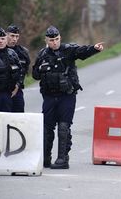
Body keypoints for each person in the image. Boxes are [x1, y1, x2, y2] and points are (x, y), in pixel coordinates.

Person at [32, 25, 104, 169]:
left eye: (57, 39)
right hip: (49, 96)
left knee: (64, 127)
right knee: (47, 128)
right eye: (51, 40)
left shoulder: (68, 50)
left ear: (60, 38)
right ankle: (45, 158)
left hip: (67, 95)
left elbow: (81, 52)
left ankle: (62, 159)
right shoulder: (42, 54)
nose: (54, 42)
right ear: (46, 40)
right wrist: (40, 69)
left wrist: (94, 48)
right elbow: (34, 74)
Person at [6, 24, 30, 112]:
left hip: (17, 90)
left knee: (19, 117)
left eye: (17, 36)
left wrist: (17, 86)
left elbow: (24, 71)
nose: (14, 39)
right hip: (1, 90)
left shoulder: (23, 52)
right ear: (6, 35)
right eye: (12, 36)